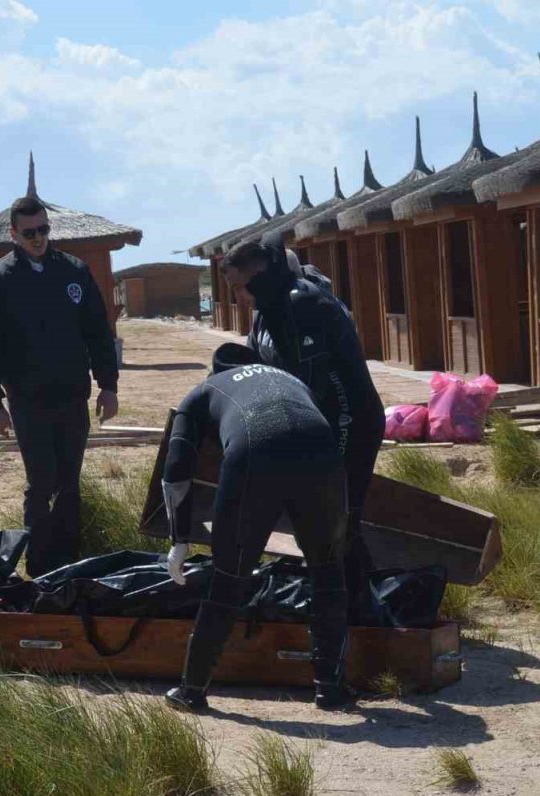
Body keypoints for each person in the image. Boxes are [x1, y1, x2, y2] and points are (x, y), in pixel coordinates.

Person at [160, 342, 350, 713]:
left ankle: (192, 691)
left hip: (256, 452)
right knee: (328, 573)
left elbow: (176, 471)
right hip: (322, 451)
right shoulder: (291, 379)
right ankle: (331, 689)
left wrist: (179, 539)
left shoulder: (204, 391)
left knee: (229, 577)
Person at [226, 233, 385, 624]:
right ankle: (349, 606)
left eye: (238, 287)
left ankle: (363, 616)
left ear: (260, 274)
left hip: (348, 420)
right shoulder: (267, 308)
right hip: (313, 423)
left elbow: (311, 379)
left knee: (339, 519)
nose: (237, 298)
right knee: (323, 523)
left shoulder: (304, 303)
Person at [0, 195, 119, 576]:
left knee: (69, 482)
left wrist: (108, 384)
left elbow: (98, 333)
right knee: (41, 484)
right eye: (29, 232)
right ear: (14, 234)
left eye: (43, 230)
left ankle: (69, 564)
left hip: (72, 396)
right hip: (28, 400)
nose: (38, 238)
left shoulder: (74, 272)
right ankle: (38, 566)